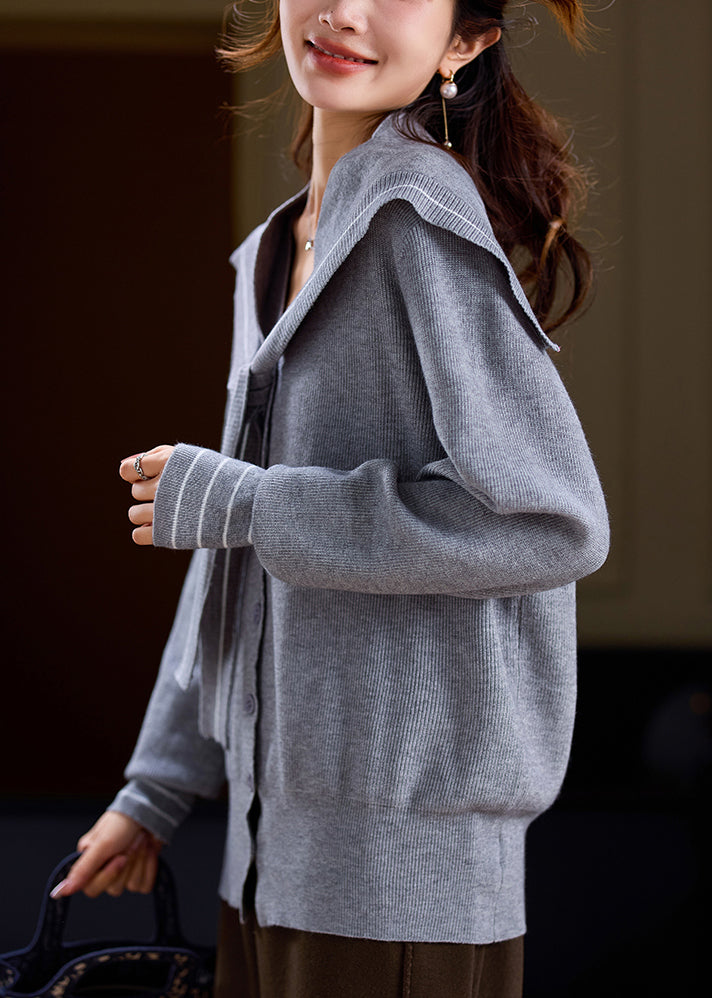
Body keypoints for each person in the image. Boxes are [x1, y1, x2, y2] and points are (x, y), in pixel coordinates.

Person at [52, 1, 609, 994]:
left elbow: (552, 521)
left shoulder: (417, 220)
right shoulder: (278, 247)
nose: (346, 10)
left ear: (465, 40)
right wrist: (157, 786)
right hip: (266, 872)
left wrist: (258, 506)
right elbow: (234, 549)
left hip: (400, 898)